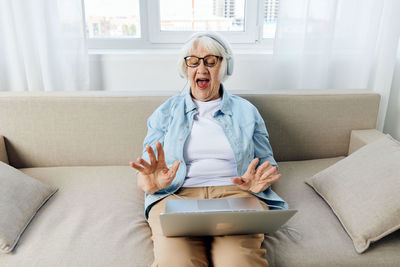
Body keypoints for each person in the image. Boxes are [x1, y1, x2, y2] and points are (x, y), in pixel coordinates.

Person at [130, 32, 288, 267]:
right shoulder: (165, 112)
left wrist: (258, 183)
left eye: (210, 60)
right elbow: (147, 171)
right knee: (177, 262)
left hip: (235, 195)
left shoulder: (247, 111)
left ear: (224, 66)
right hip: (177, 194)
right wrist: (151, 184)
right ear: (185, 68)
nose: (201, 68)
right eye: (193, 60)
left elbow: (267, 163)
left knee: (239, 262)